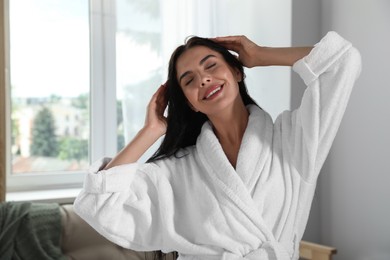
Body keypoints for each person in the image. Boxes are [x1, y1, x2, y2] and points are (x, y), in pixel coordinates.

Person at [73, 31, 361, 260]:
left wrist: (260, 55)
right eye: (189, 81)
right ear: (189, 102)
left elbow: (341, 62)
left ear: (237, 72)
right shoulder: (178, 170)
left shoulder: (292, 139)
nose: (204, 79)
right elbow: (99, 202)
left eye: (211, 65)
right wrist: (152, 130)